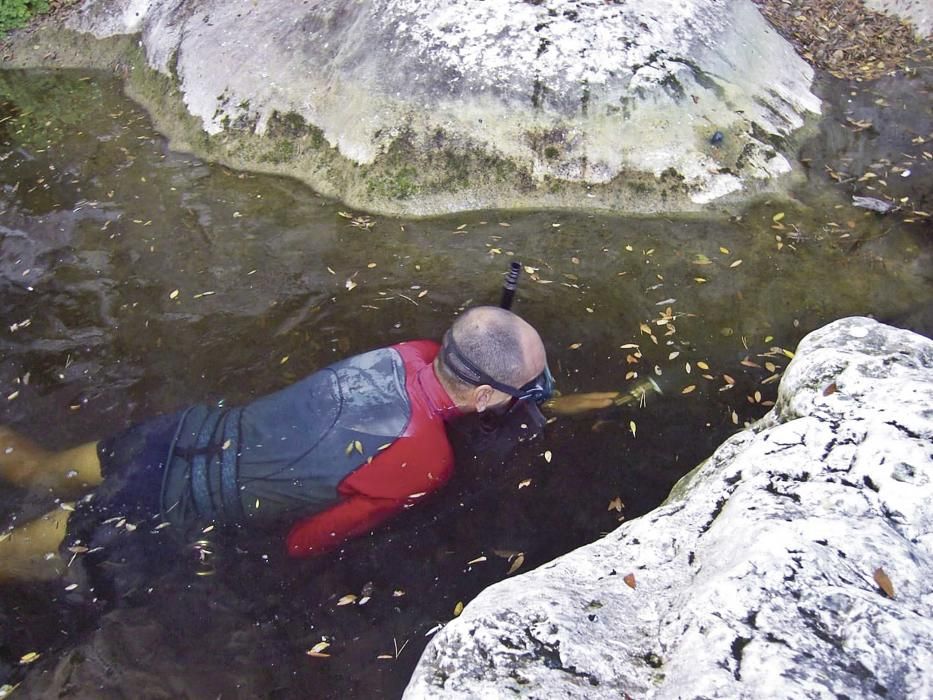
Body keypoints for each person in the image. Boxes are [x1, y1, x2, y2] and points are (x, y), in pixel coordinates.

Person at [0, 306, 579, 582]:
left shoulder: (408, 352)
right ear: (484, 395)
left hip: (177, 435)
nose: (535, 393)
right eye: (529, 387)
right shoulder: (425, 464)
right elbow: (304, 543)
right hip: (167, 509)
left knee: (37, 468)